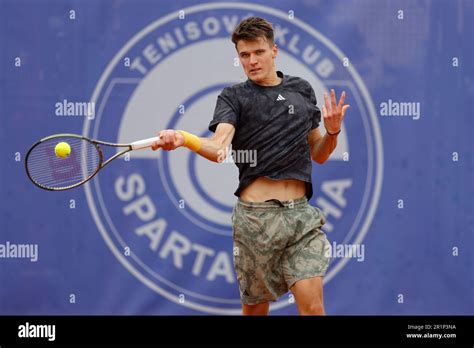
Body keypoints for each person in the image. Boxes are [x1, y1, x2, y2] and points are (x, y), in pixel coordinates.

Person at [151, 16, 349, 315]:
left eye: (258, 52)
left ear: (274, 50)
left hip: (301, 217)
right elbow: (219, 149)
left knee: (313, 308)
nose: (252, 61)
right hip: (255, 222)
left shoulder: (302, 90)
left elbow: (319, 153)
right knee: (256, 311)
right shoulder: (233, 97)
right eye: (244, 55)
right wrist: (183, 138)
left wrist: (333, 132)